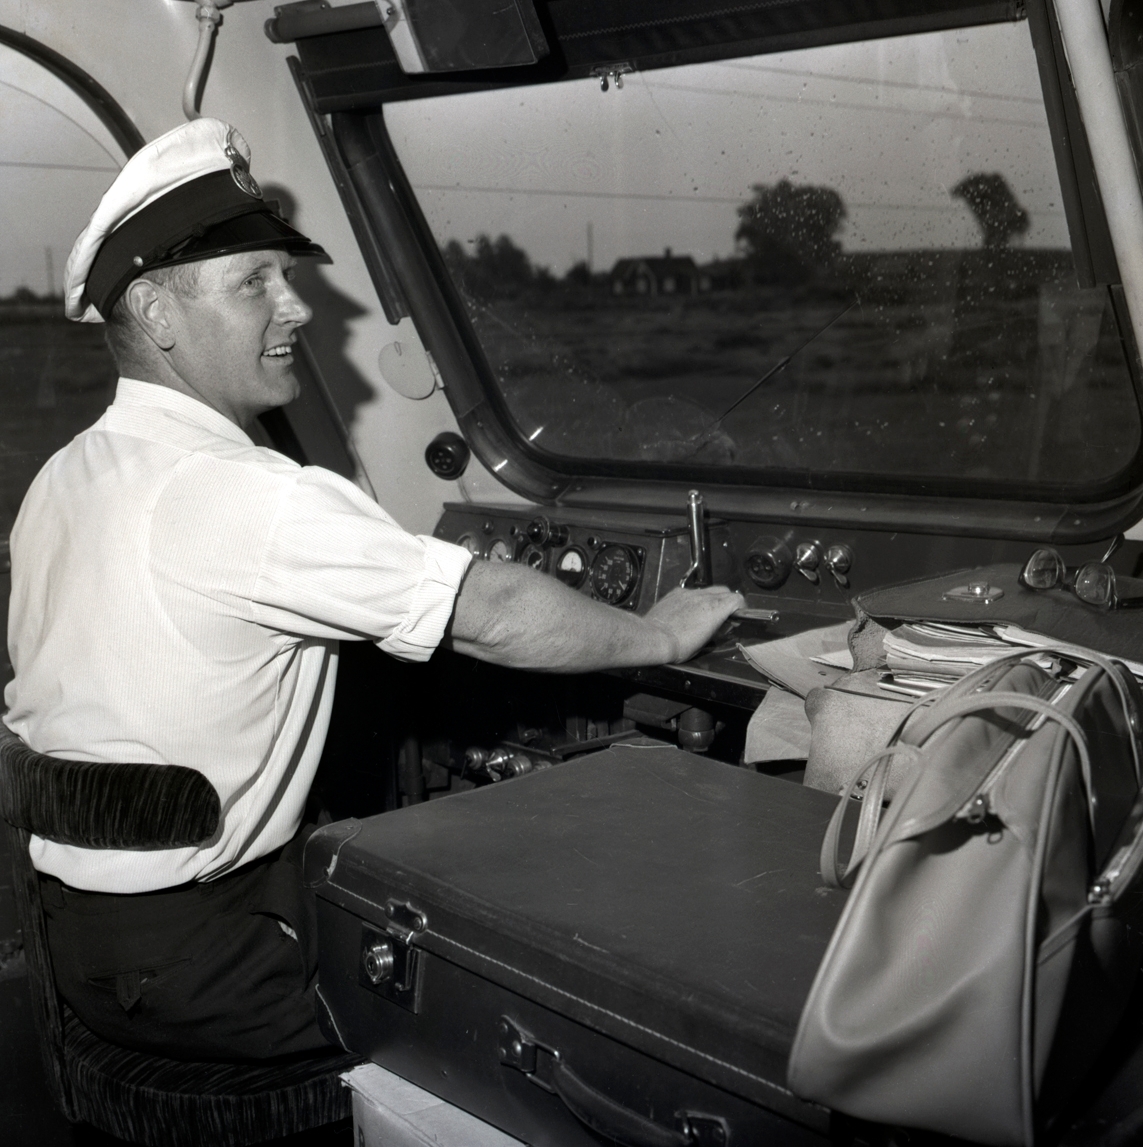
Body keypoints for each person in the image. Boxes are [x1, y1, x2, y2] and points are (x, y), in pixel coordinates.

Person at [2, 118, 744, 1062]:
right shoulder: (245, 493)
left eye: (287, 277)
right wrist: (659, 636)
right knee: (553, 996)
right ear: (155, 313)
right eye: (254, 282)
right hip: (214, 960)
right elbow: (496, 612)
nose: (295, 307)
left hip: (82, 943)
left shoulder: (65, 474)